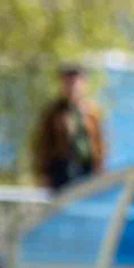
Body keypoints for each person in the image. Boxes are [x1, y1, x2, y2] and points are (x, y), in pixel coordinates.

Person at [28, 64, 107, 192]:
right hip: (61, 168)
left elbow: (99, 142)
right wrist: (43, 173)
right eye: (68, 82)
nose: (72, 87)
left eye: (75, 83)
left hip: (86, 168)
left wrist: (99, 167)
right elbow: (42, 144)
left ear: (83, 84)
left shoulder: (92, 111)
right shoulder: (53, 111)